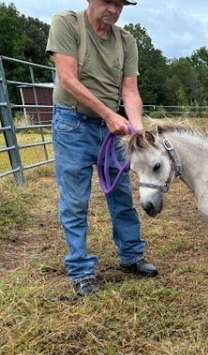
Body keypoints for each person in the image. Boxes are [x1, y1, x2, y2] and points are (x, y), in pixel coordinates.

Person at [46, 0, 157, 296]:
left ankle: (132, 255)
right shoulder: (67, 24)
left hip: (111, 129)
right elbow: (67, 78)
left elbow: (130, 91)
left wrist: (137, 131)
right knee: (75, 199)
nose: (114, 10)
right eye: (108, 1)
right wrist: (108, 114)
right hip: (73, 123)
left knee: (120, 192)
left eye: (120, 4)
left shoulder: (126, 41)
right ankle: (81, 270)